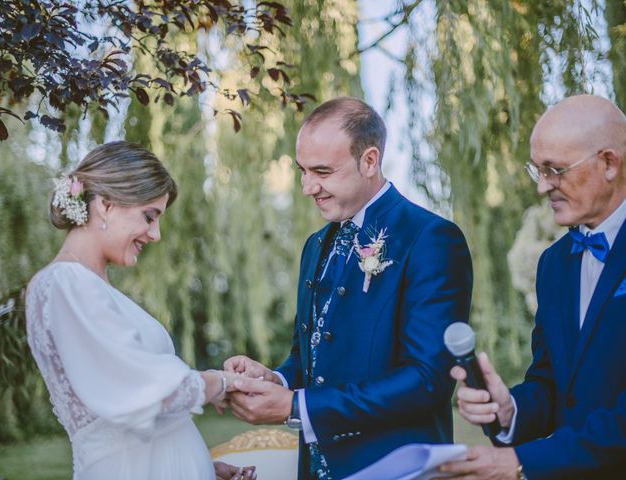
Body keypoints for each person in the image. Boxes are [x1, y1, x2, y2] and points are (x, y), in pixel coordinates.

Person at [223, 97, 473, 479]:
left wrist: (296, 406)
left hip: (396, 469)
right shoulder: (315, 246)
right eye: (302, 171)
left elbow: (427, 381)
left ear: (369, 161)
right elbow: (310, 356)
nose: (308, 187)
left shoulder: (430, 239)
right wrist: (277, 379)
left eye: (322, 171)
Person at [25, 141, 255, 480]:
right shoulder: (64, 284)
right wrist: (222, 382)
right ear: (105, 205)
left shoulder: (91, 287)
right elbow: (153, 393)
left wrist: (203, 467)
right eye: (149, 217)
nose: (156, 234)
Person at [440, 95, 626, 479]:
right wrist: (511, 408)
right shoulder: (554, 264)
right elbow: (551, 383)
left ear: (609, 163)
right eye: (537, 170)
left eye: (556, 170)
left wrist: (524, 461)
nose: (543, 187)